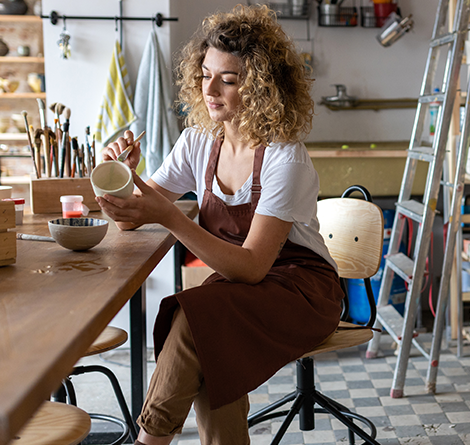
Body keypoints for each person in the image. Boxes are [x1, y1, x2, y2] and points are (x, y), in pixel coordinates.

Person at [97, 4, 344, 445]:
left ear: (261, 89)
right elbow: (132, 217)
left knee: (195, 320)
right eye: (206, 74)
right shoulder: (197, 142)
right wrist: (122, 177)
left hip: (302, 290)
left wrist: (171, 216)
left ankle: (147, 441)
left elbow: (251, 266)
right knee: (210, 341)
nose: (210, 89)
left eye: (228, 80)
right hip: (241, 287)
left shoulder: (285, 158)